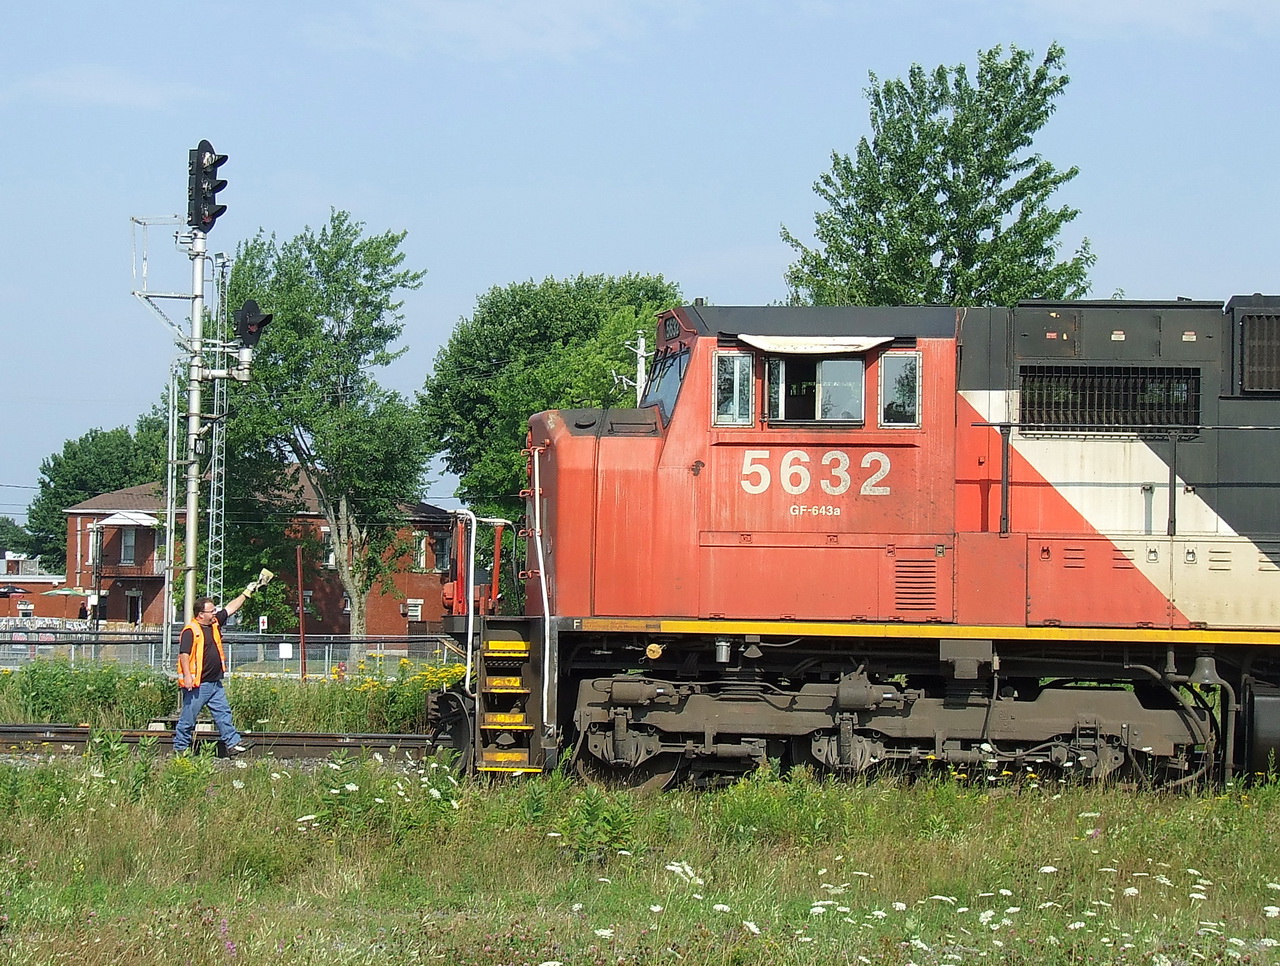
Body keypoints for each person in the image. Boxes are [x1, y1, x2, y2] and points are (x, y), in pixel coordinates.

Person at [174, 569, 274, 756]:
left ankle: (232, 743)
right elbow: (184, 655)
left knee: (223, 714)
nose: (215, 613)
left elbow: (231, 607)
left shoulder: (214, 624)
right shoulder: (191, 630)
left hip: (214, 683)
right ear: (200, 613)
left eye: (214, 611)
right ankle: (180, 748)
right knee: (188, 718)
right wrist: (187, 676)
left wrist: (247, 592)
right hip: (198, 684)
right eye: (211, 611)